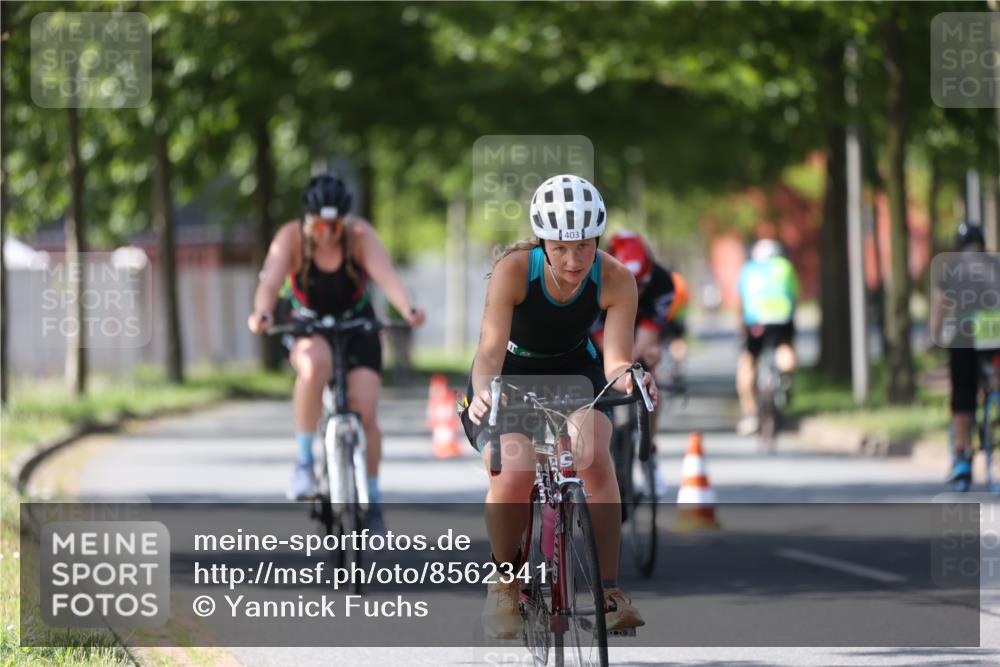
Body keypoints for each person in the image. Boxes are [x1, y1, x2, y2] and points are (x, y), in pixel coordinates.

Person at [461, 174, 657, 638]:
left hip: (575, 372)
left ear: (597, 240)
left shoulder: (616, 278)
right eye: (561, 249)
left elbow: (615, 360)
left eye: (584, 247)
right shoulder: (514, 269)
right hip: (511, 373)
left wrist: (632, 376)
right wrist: (486, 389)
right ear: (543, 242)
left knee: (594, 454)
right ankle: (505, 582)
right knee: (515, 469)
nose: (573, 260)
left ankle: (609, 592)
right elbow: (489, 350)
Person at [247, 173, 425, 530]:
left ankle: (372, 499)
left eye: (334, 224)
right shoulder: (291, 238)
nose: (327, 232)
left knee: (365, 409)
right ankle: (303, 463)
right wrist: (262, 314)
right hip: (308, 323)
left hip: (356, 323)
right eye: (320, 224)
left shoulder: (359, 235)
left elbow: (387, 276)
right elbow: (268, 283)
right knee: (313, 366)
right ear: (308, 219)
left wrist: (407, 310)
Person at [591, 230, 688, 495]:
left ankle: (649, 446)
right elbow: (604, 342)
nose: (638, 290)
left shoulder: (662, 282)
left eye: (642, 284)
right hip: (602, 340)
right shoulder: (597, 280)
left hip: (638, 338)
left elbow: (648, 334)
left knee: (648, 374)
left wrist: (637, 364)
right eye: (633, 283)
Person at [930, 223, 1000, 486]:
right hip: (996, 333)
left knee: (962, 394)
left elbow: (939, 305)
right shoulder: (995, 264)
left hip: (966, 335)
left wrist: (934, 336)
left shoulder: (951, 267)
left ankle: (961, 456)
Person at [735, 238, 799, 436]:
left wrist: (742, 327)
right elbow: (796, 294)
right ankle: (786, 379)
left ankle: (750, 413)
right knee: (785, 348)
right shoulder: (785, 267)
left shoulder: (748, 269)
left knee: (748, 362)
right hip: (781, 318)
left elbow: (741, 301)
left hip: (756, 321)